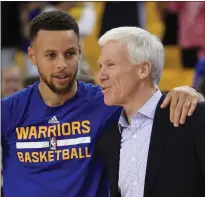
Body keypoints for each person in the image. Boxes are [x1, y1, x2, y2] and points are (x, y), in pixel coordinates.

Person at [1, 11, 202, 197]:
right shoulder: (9, 110)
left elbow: (145, 98)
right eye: (51, 55)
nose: (61, 64)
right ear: (32, 55)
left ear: (80, 52)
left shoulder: (107, 102)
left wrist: (189, 93)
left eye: (70, 53)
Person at [96, 26, 205, 197]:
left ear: (143, 70)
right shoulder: (108, 134)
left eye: (110, 65)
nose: (100, 75)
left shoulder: (191, 115)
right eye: (100, 66)